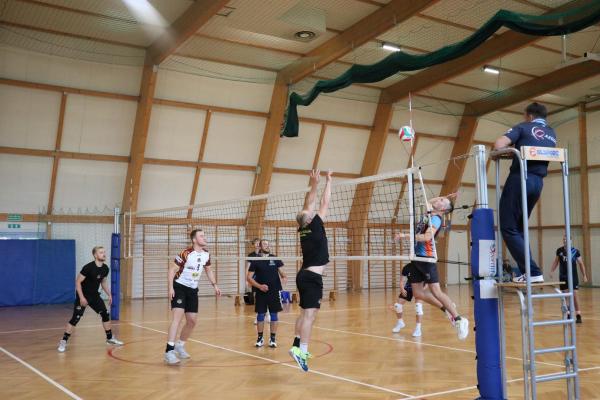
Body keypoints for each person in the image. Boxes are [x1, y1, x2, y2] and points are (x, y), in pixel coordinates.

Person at [494, 102, 556, 283]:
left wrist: (509, 152)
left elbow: (498, 144)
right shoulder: (552, 133)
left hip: (520, 178)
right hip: (538, 182)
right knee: (519, 228)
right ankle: (528, 272)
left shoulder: (523, 127)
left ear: (529, 116)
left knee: (508, 227)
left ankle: (533, 271)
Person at [395, 195, 469, 340]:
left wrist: (404, 235)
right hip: (416, 259)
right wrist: (445, 196)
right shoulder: (429, 213)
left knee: (436, 292)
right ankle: (446, 309)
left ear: (443, 209)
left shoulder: (435, 219)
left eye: (442, 202)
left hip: (426, 259)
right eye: (440, 199)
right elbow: (429, 201)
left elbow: (426, 237)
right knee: (418, 294)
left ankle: (459, 319)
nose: (438, 200)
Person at [289, 169, 332, 371]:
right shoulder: (314, 225)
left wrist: (314, 183)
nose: (312, 211)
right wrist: (328, 181)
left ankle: (296, 345)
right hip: (311, 277)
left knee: (306, 313)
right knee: (309, 316)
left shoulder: (303, 228)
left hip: (305, 275)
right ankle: (302, 352)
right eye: (309, 213)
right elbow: (323, 202)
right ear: (308, 220)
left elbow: (310, 202)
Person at [164, 229, 221, 365]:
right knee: (177, 319)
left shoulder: (206, 254)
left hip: (193, 290)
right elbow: (172, 269)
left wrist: (215, 285)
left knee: (192, 321)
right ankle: (169, 351)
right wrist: (170, 288)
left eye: (204, 235)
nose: (204, 238)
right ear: (194, 240)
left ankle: (180, 345)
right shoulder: (186, 253)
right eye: (201, 236)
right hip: (179, 287)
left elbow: (208, 270)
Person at [57, 246, 123, 352]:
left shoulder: (105, 268)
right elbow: (77, 282)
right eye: (101, 252)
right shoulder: (88, 267)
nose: (104, 254)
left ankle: (110, 338)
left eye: (104, 252)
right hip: (83, 295)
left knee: (105, 314)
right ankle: (63, 341)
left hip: (94, 296)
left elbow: (103, 282)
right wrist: (81, 297)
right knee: (76, 318)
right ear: (95, 255)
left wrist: (109, 294)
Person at [247, 239, 287, 348]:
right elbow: (249, 278)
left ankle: (272, 339)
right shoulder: (256, 260)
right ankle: (260, 338)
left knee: (274, 315)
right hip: (261, 292)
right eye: (264, 244)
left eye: (268, 244)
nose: (267, 246)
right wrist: (260, 286)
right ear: (260, 247)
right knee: (260, 315)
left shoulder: (275, 258)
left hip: (274, 291)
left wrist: (284, 277)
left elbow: (283, 273)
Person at [550, 235, 588, 323]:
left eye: (566, 239)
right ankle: (568, 314)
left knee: (575, 295)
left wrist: (584, 275)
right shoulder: (559, 251)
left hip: (573, 277)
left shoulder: (575, 251)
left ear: (570, 241)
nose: (564, 241)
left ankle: (578, 315)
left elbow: (581, 264)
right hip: (563, 277)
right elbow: (556, 261)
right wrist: (552, 271)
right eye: (563, 239)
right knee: (565, 296)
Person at [391, 262, 426, 337]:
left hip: (420, 287)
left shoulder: (424, 267)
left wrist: (423, 290)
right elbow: (401, 281)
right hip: (409, 287)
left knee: (418, 307)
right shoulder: (407, 267)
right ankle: (400, 322)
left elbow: (428, 283)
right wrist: (402, 288)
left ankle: (418, 328)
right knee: (397, 306)